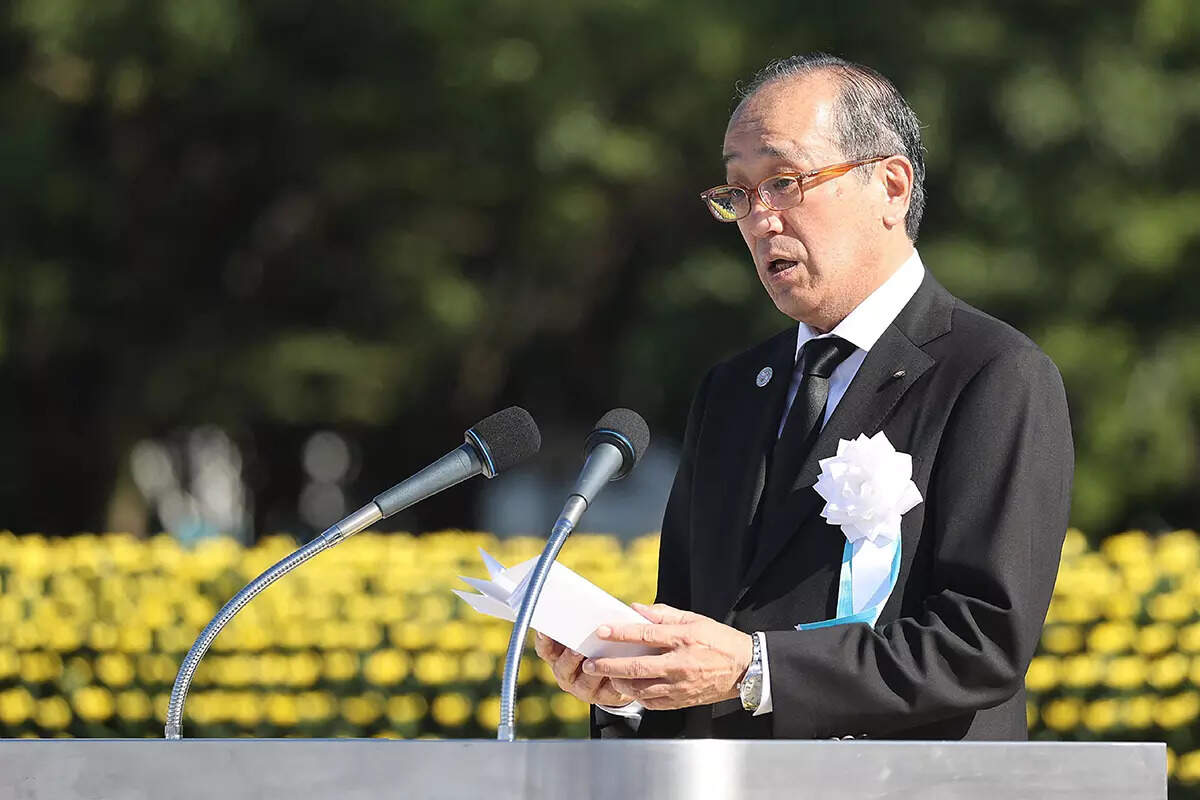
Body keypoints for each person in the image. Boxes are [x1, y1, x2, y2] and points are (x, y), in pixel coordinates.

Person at [533, 53, 1073, 740]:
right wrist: (628, 686)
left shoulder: (993, 374)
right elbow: (698, 631)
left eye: (784, 181)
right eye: (738, 193)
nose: (759, 220)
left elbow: (978, 645)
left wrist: (758, 669)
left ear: (892, 186)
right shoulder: (730, 391)